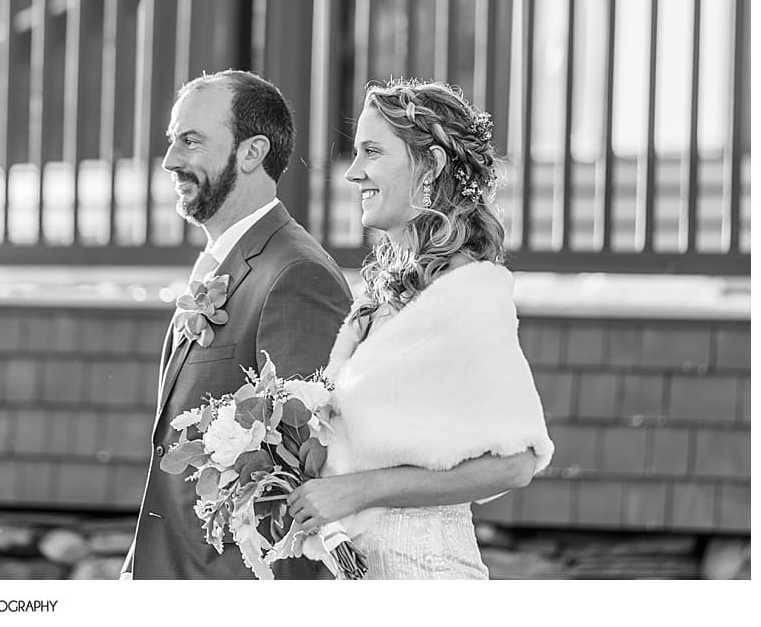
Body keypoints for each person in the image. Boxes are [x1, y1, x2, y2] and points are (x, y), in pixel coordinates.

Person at [286, 78, 554, 579]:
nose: (353, 173)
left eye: (371, 152)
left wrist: (360, 488)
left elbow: (515, 462)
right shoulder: (387, 294)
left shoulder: (470, 291)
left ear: (428, 165)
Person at [121, 70, 353, 579]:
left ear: (251, 153)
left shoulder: (296, 276)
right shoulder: (224, 262)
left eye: (191, 141)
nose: (170, 160)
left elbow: (301, 496)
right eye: (171, 141)